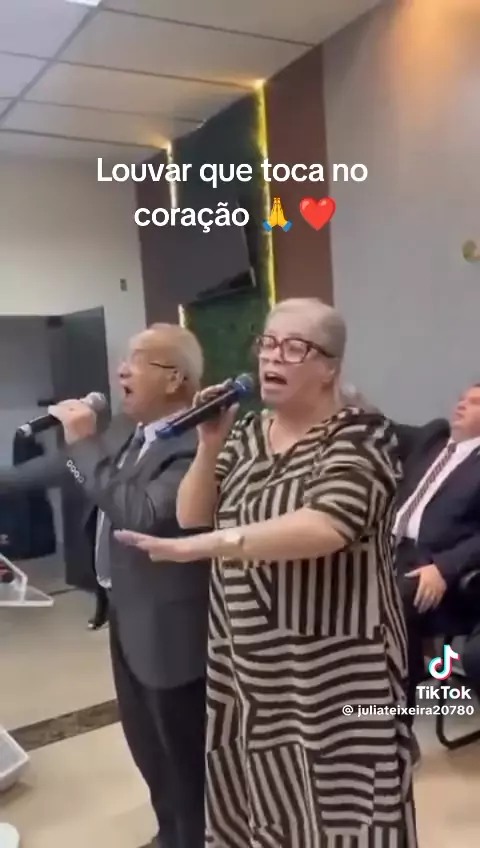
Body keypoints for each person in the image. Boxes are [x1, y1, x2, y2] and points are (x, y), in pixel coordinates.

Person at [116, 298, 418, 848]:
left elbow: (325, 526)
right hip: (250, 666)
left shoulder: (363, 435)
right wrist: (209, 444)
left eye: (294, 347)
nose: (273, 357)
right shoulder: (248, 433)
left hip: (335, 668)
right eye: (269, 344)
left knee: (346, 812)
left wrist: (205, 547)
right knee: (263, 805)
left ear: (329, 366)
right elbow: (192, 514)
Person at [2, 323, 210, 848]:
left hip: (171, 632)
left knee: (185, 763)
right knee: (148, 751)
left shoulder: (195, 445)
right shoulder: (125, 432)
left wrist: (82, 441)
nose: (121, 370)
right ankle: (169, 834)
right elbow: (60, 469)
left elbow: (139, 514)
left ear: (175, 378)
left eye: (136, 360)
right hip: (126, 614)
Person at [394, 384, 480, 752]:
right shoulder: (433, 440)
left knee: (390, 602)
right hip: (387, 550)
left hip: (437, 571)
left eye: (475, 402)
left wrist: (443, 568)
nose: (461, 404)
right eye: (462, 398)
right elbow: (385, 427)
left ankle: (398, 732)